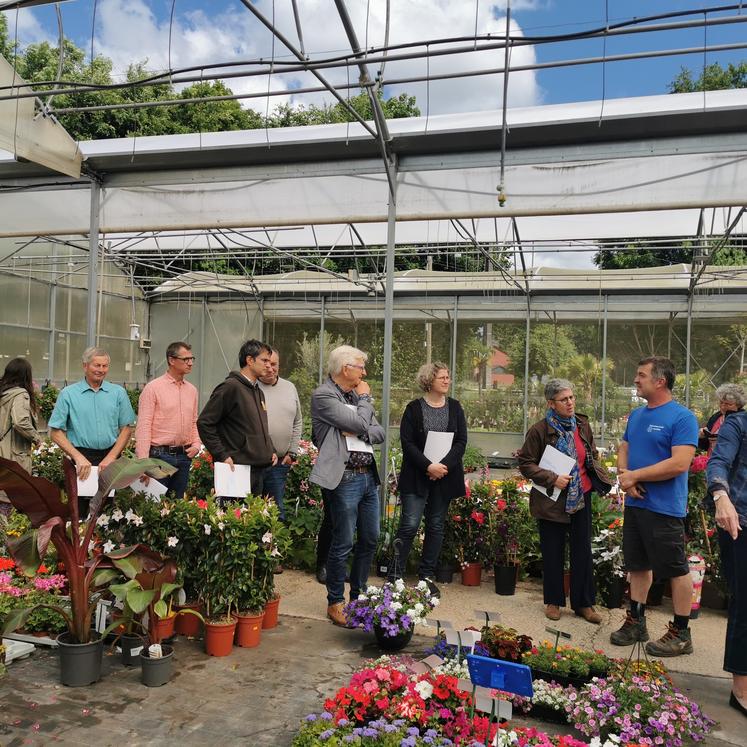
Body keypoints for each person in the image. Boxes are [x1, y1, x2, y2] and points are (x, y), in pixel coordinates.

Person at [611, 356, 698, 657]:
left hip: (665, 508)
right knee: (638, 565)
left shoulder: (682, 417)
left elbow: (680, 463)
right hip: (637, 504)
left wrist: (636, 475)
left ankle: (682, 633)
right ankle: (636, 621)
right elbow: (625, 447)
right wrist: (625, 476)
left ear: (660, 381)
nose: (636, 380)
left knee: (676, 569)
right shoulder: (637, 416)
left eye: (641, 375)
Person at [517, 378, 612, 624]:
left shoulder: (582, 425)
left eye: (571, 397)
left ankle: (584, 604)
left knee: (582, 550)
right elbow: (525, 463)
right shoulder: (539, 430)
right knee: (553, 550)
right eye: (563, 399)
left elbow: (589, 454)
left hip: (581, 496)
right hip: (552, 499)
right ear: (551, 403)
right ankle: (553, 601)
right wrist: (551, 478)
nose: (570, 403)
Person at [310, 345, 385, 627]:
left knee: (370, 538)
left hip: (367, 475)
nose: (364, 373)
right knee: (343, 541)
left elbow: (377, 431)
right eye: (361, 367)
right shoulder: (323, 395)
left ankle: (359, 598)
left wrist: (358, 423)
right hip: (344, 477)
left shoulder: (355, 397)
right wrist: (364, 404)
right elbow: (357, 419)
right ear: (345, 369)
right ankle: (335, 602)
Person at [389, 362, 467, 598]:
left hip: (444, 476)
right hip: (418, 475)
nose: (447, 380)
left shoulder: (455, 408)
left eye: (448, 377)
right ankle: (395, 575)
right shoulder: (414, 409)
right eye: (442, 377)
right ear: (429, 381)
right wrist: (428, 466)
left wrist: (443, 467)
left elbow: (461, 441)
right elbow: (408, 443)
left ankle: (426, 577)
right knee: (410, 525)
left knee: (435, 526)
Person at [706, 407, 747, 717]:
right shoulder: (737, 424)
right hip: (739, 522)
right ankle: (741, 688)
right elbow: (718, 463)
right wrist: (721, 497)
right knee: (745, 604)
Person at [197, 339, 276, 498]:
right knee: (235, 519)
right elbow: (205, 423)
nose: (269, 365)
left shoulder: (258, 391)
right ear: (249, 360)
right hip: (237, 470)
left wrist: (270, 449)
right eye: (264, 360)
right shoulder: (230, 387)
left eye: (270, 361)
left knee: (252, 520)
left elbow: (256, 427)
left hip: (258, 470)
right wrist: (222, 455)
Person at [49, 347, 135, 483]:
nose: (101, 370)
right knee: (80, 503)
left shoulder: (118, 393)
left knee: (107, 502)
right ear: (85, 366)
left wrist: (112, 457)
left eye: (105, 366)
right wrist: (77, 457)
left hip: (110, 457)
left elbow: (127, 428)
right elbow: (55, 432)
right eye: (97, 365)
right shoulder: (68, 394)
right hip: (80, 458)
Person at [134, 341, 201, 500]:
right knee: (154, 506)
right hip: (159, 456)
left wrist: (197, 444)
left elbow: (193, 421)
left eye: (192, 359)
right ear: (171, 360)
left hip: (184, 456)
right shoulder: (153, 388)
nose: (190, 363)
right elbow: (144, 425)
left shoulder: (192, 390)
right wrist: (142, 462)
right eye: (186, 359)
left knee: (176, 506)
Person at [258, 348, 303, 521]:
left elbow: (298, 421)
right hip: (254, 463)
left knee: (276, 512)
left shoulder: (289, 387)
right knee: (250, 510)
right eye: (266, 363)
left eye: (274, 364)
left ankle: (273, 546)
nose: (270, 368)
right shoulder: (250, 387)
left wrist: (292, 452)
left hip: (280, 464)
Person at [0, 358, 41, 515]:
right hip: (12, 456)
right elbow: (20, 422)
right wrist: (37, 438)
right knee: (9, 502)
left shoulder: (3, 393)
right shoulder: (20, 394)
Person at [698, 383, 745, 456]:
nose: (723, 407)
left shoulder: (743, 420)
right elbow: (705, 446)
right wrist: (702, 436)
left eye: (728, 404)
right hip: (713, 462)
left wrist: (723, 441)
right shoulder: (716, 417)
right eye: (721, 402)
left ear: (739, 404)